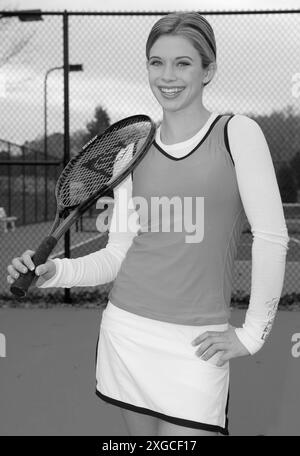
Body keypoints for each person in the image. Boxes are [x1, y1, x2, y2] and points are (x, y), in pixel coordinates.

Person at [7, 12, 289, 436]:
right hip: (128, 332)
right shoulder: (130, 155)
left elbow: (272, 238)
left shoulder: (237, 134)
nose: (167, 76)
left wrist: (252, 335)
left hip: (199, 344)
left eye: (183, 63)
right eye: (156, 62)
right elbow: (118, 254)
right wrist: (54, 271)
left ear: (208, 69)